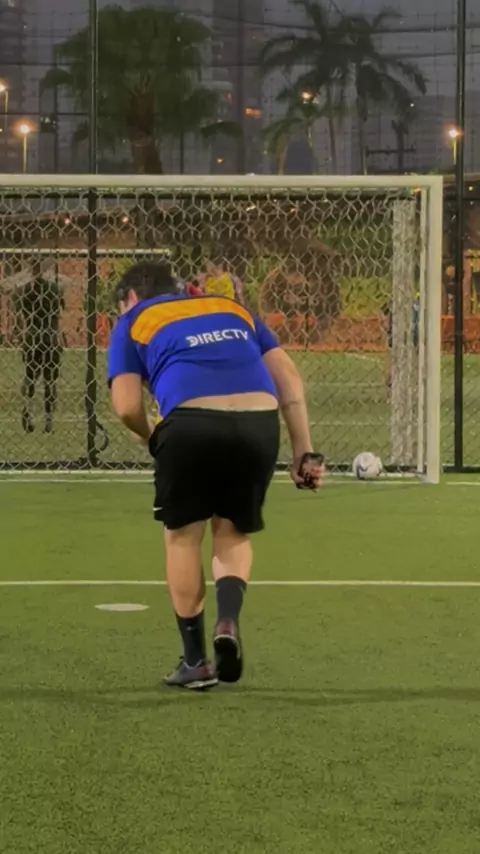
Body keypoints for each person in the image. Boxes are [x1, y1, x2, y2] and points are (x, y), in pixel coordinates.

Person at [107, 261, 324, 691]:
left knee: (183, 537)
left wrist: (154, 437)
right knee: (233, 530)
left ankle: (195, 662)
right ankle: (228, 620)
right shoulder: (231, 308)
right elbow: (289, 380)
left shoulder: (133, 320)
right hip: (258, 422)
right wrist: (304, 451)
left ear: (131, 297)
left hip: (189, 423)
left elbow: (127, 406)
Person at [12, 261, 65, 434]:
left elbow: (20, 314)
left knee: (30, 375)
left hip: (32, 336)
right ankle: (48, 420)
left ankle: (28, 408)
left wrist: (21, 334)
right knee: (50, 379)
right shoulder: (54, 289)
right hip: (49, 336)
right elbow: (59, 312)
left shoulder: (25, 290)